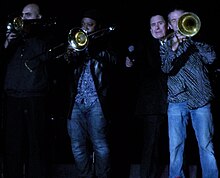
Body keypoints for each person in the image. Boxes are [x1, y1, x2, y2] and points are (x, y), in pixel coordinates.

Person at [160, 8, 219, 178]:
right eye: (173, 20)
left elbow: (211, 58)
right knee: (176, 146)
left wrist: (195, 40)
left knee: (206, 145)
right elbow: (165, 68)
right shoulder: (165, 44)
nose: (177, 22)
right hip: (176, 101)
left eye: (180, 18)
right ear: (170, 25)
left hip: (200, 99)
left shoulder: (198, 40)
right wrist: (175, 45)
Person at [1, 3, 54, 178]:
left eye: (29, 15)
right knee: (12, 147)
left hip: (35, 97)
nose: (24, 18)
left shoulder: (45, 36)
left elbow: (47, 56)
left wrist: (30, 35)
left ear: (38, 18)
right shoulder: (15, 37)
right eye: (22, 15)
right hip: (12, 96)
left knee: (36, 147)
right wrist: (8, 42)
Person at [65, 9, 118, 178]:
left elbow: (114, 61)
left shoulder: (106, 42)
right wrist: (70, 54)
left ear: (97, 26)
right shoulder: (76, 44)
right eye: (83, 24)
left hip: (97, 102)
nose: (85, 28)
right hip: (76, 102)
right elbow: (64, 70)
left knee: (101, 146)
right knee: (77, 146)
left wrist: (93, 47)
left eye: (90, 25)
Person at [125, 14, 168, 178]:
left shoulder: (176, 42)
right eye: (153, 25)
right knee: (151, 147)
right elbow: (138, 67)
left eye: (160, 23)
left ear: (167, 26)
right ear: (150, 29)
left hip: (177, 101)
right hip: (153, 104)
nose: (157, 28)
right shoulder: (144, 46)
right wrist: (130, 63)